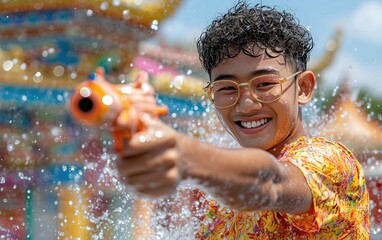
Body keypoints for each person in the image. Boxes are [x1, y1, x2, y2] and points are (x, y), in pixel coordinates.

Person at [114, 1, 370, 239]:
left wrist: (183, 154)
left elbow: (271, 182)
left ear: (303, 88)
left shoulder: (331, 164)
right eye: (226, 88)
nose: (246, 104)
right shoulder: (220, 201)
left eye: (265, 84)